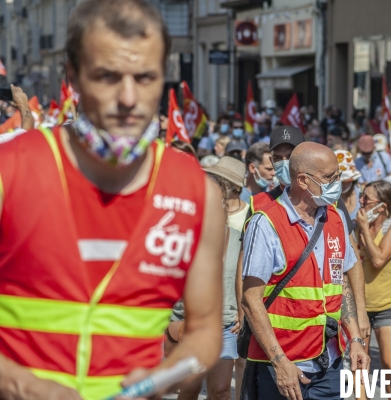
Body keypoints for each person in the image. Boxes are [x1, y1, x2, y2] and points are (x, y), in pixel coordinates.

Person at [0, 1, 225, 399]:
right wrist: (21, 385)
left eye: (145, 78)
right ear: (73, 76)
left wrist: (166, 375)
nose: (128, 98)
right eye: (107, 76)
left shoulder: (196, 191)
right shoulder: (10, 169)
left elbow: (205, 331)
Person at [241, 142, 370, 399]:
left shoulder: (335, 218)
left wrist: (355, 339)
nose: (338, 182)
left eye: (339, 175)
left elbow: (340, 283)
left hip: (329, 364)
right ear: (302, 180)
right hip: (282, 367)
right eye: (330, 177)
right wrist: (280, 362)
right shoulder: (266, 224)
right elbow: (250, 300)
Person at [171, 156, 247, 400]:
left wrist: (241, 311)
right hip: (189, 324)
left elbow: (245, 278)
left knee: (221, 390)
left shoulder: (238, 237)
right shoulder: (182, 233)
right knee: (190, 389)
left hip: (225, 325)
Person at [355, 181, 391, 399]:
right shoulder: (355, 227)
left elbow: (378, 259)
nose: (361, 201)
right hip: (360, 307)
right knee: (360, 362)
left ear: (382, 206)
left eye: (367, 199)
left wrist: (365, 230)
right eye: (361, 196)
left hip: (387, 305)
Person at [336, 150, 362, 221]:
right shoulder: (330, 199)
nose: (343, 184)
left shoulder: (363, 194)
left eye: (346, 181)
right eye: (340, 181)